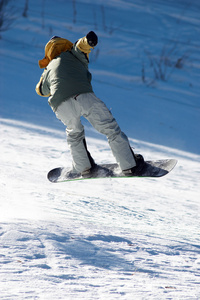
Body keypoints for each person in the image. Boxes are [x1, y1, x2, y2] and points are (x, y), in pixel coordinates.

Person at [36, 31, 144, 177]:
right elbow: (81, 45)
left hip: (61, 105)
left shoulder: (48, 69)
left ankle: (83, 168)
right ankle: (129, 166)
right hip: (83, 95)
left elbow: (41, 90)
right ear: (65, 45)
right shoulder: (73, 53)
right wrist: (89, 40)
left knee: (74, 134)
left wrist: (48, 74)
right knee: (110, 129)